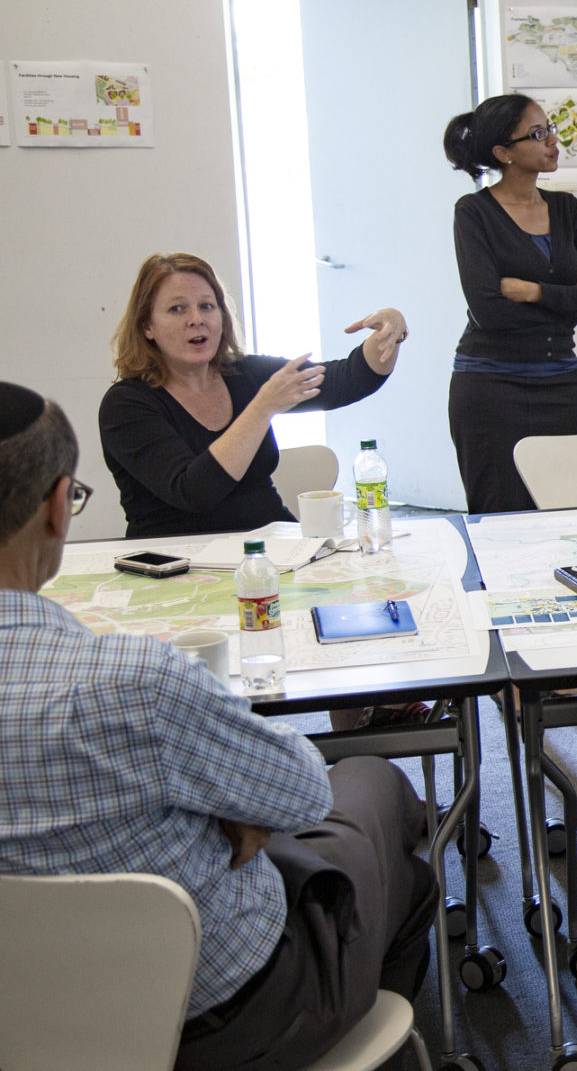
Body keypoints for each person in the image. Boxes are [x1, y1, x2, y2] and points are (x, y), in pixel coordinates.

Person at [0, 382, 434, 1071]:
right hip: (216, 1018)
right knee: (371, 788)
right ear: (58, 507)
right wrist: (228, 808)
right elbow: (298, 795)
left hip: (20, 1027)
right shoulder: (132, 681)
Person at [100, 253, 405, 539]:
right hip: (178, 569)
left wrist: (390, 329)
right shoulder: (126, 404)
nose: (196, 319)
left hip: (272, 550)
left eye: (207, 306)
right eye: (177, 309)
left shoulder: (244, 373)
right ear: (147, 327)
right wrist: (263, 408)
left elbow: (348, 380)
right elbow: (193, 491)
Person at [444, 93, 577, 514]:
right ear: (503, 152)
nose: (552, 141)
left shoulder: (567, 209)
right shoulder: (474, 212)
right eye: (538, 134)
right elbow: (490, 310)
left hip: (562, 384)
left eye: (550, 129)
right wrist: (569, 293)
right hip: (490, 386)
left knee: (566, 511)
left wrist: (534, 291)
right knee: (499, 516)